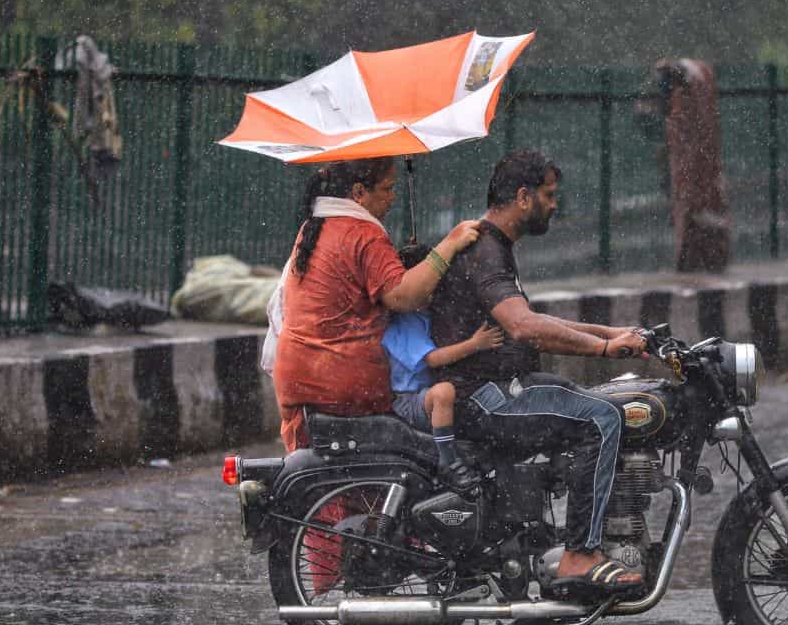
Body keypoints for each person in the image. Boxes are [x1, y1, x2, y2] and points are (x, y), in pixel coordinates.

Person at [429, 149, 650, 596]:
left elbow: (530, 319)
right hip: (483, 394)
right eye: (549, 196)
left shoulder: (495, 246)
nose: (555, 205)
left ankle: (547, 534)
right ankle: (580, 555)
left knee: (583, 396)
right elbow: (523, 326)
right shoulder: (486, 250)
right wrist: (605, 348)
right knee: (603, 418)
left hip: (498, 386)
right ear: (523, 197)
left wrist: (611, 330)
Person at [270, 158, 481, 452]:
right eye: (387, 188)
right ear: (358, 193)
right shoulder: (362, 233)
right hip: (343, 384)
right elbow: (404, 296)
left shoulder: (313, 227)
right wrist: (450, 244)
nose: (393, 196)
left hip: (297, 378)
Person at [383, 243, 506, 494]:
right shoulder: (406, 321)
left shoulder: (427, 313)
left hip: (422, 398)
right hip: (407, 401)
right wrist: (475, 344)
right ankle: (447, 461)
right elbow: (433, 359)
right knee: (444, 393)